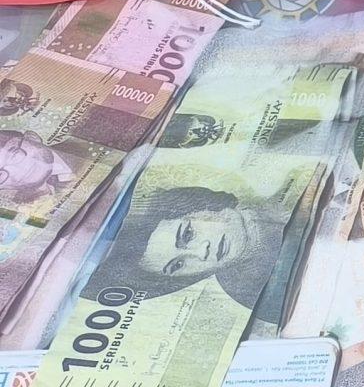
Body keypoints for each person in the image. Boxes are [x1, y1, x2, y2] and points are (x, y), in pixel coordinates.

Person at [101, 184, 282, 310]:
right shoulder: (256, 298)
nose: (201, 253)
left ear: (202, 207)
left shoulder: (272, 189)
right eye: (178, 265)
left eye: (188, 234)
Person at [0, 128, 76, 214]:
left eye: (15, 155)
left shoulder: (84, 146)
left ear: (32, 137)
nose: (17, 172)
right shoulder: (23, 210)